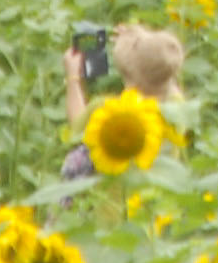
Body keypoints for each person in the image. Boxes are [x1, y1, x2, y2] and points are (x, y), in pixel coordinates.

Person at [60, 22, 185, 185]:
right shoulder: (177, 108)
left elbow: (76, 127)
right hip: (154, 203)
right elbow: (163, 70)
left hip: (112, 205)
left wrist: (73, 77)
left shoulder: (109, 110)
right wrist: (143, 46)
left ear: (127, 72)